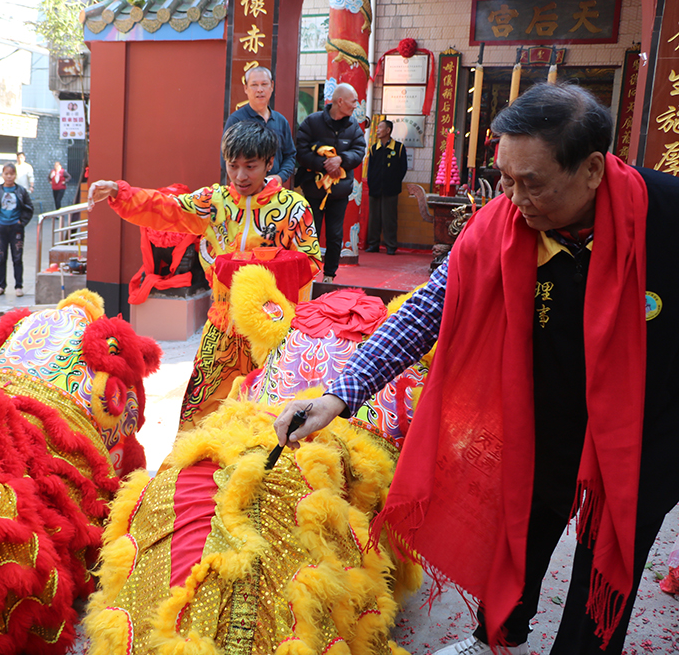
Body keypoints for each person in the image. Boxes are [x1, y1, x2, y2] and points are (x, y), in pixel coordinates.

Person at [274, 83, 679, 655]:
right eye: (504, 179)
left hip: (645, 427)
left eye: (531, 182)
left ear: (592, 169)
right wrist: (338, 395)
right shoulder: (501, 223)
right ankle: (498, 636)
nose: (513, 198)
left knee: (609, 553)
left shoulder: (665, 215)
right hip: (550, 412)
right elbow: (426, 309)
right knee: (520, 528)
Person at [89, 120, 321, 431]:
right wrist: (121, 192)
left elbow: (311, 263)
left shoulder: (293, 208)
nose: (240, 175)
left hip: (272, 332)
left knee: (269, 414)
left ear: (269, 163)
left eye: (250, 166)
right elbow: (165, 208)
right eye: (233, 165)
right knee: (200, 411)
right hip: (222, 324)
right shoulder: (213, 203)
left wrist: (261, 270)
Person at [295, 83, 366, 283]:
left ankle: (329, 275)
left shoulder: (353, 127)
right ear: (340, 101)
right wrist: (323, 164)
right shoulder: (312, 122)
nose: (355, 105)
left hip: (339, 191)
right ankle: (308, 273)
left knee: (335, 234)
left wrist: (341, 159)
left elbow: (359, 151)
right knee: (311, 233)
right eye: (353, 101)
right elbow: (300, 151)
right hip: (314, 190)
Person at [223, 66, 296, 185]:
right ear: (245, 88)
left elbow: (290, 155)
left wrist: (279, 177)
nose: (260, 89)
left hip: (274, 190)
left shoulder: (280, 121)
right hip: (245, 189)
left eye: (264, 84)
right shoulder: (236, 120)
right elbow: (225, 158)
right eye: (254, 85)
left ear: (272, 86)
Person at [0, 162, 33, 298]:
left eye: (12, 174)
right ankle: (1, 286)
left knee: (17, 258)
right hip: (0, 228)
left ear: (15, 175)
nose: (9, 176)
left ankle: (18, 286)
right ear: (2, 174)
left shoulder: (21, 191)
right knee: (0, 258)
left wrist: (21, 222)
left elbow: (29, 207)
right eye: (6, 174)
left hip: (16, 228)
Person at [365, 119, 408, 255]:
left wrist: (393, 182)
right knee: (374, 218)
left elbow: (403, 169)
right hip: (375, 188)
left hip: (391, 189)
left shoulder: (399, 148)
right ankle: (373, 244)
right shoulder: (373, 149)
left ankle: (391, 245)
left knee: (389, 218)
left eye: (380, 128)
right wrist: (372, 184)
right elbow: (370, 170)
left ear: (388, 130)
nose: (377, 130)